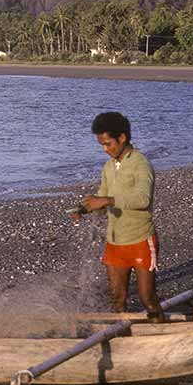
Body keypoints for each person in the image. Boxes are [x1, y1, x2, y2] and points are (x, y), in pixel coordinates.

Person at [71, 112, 165, 322]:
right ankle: (122, 337)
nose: (105, 149)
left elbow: (142, 199)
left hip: (141, 239)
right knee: (116, 298)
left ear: (122, 138)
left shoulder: (141, 164)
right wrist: (84, 209)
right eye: (102, 145)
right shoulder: (109, 166)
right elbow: (102, 196)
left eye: (108, 144)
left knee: (147, 297)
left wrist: (107, 201)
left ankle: (158, 331)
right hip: (115, 242)